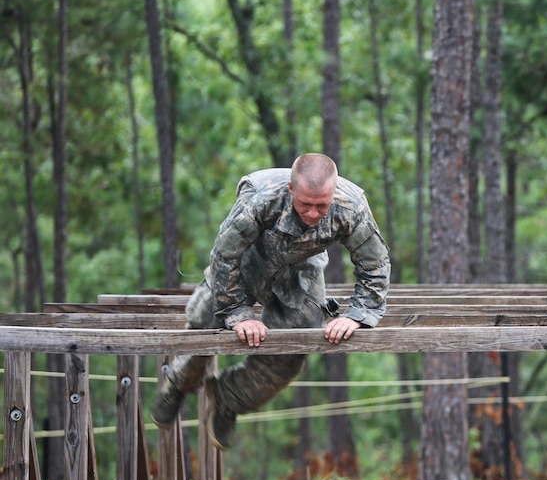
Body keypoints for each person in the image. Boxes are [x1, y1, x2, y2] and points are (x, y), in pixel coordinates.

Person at [151, 153, 391, 450]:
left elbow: (375, 265)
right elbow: (225, 255)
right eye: (306, 204)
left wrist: (357, 314)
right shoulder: (261, 198)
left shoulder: (351, 207)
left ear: (333, 192)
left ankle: (228, 399)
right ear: (291, 189)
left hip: (301, 270)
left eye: (322, 205)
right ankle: (178, 383)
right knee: (204, 322)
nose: (314, 213)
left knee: (296, 344)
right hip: (247, 261)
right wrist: (238, 313)